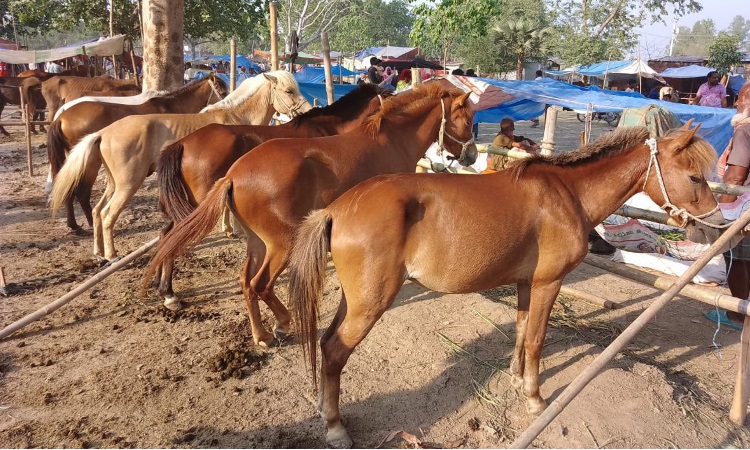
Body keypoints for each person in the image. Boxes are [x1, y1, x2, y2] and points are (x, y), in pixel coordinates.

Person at [715, 83, 750, 329]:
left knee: (735, 257)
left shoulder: (744, 130)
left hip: (741, 203)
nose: (738, 102)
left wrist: (721, 211)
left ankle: (738, 314)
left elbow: (736, 176)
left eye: (742, 98)